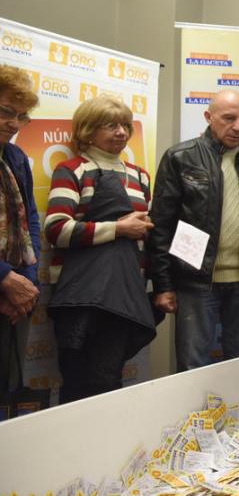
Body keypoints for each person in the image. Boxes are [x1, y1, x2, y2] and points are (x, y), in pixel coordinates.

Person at [148, 90, 239, 370]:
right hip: (195, 282)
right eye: (229, 118)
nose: (237, 127)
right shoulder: (180, 158)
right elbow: (161, 226)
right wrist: (164, 285)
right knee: (192, 366)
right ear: (209, 117)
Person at [44, 96, 156, 402]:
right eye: (111, 125)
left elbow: (148, 240)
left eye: (125, 125)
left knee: (108, 384)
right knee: (77, 383)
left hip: (124, 296)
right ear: (87, 131)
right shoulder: (72, 170)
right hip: (80, 297)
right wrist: (118, 229)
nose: (121, 132)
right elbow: (56, 230)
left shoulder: (140, 176)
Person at [0, 65, 40, 394]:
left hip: (14, 299)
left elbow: (32, 221)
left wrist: (26, 282)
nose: (14, 124)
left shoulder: (15, 157)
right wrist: (4, 278)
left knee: (10, 389)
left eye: (21, 116)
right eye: (6, 112)